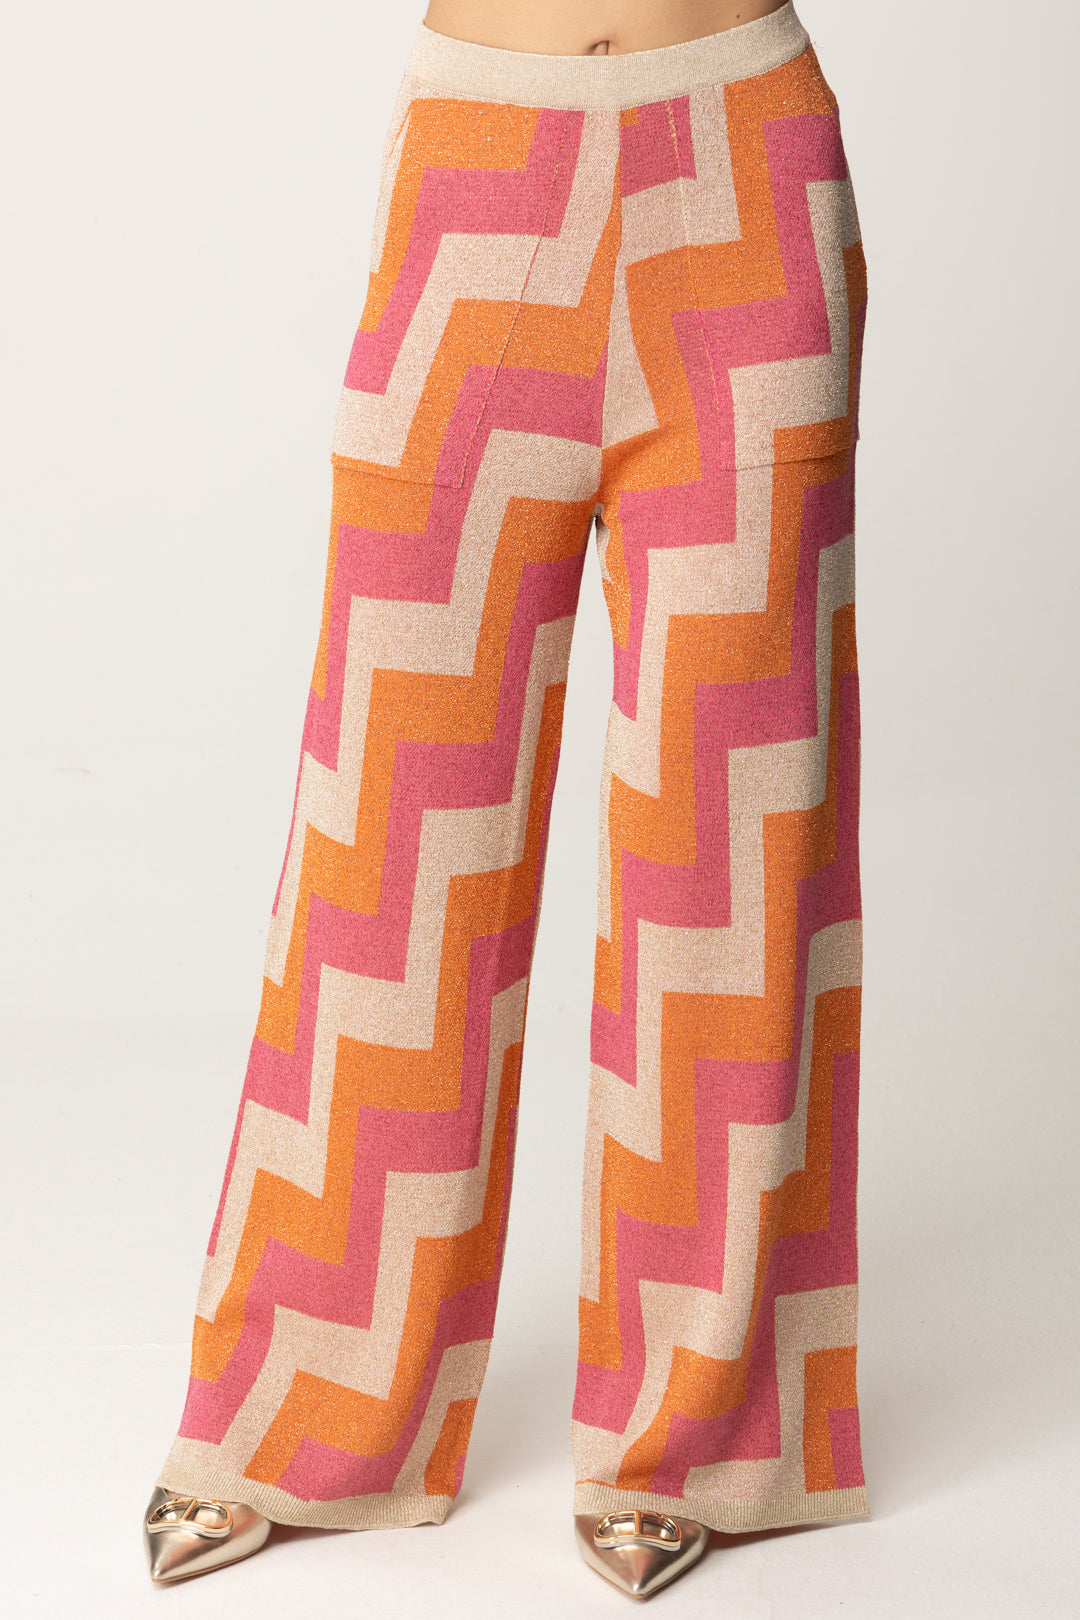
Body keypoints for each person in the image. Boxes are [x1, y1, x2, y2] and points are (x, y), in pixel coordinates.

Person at [142, 0, 869, 1599]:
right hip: (483, 163)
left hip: (745, 159)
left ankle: (703, 1427)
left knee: (733, 823)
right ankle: (307, 1400)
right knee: (396, 810)